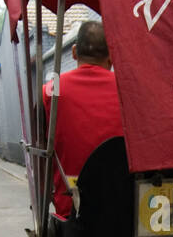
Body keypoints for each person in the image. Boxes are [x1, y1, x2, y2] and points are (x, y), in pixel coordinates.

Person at [41, 20, 124, 218]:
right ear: (111, 57)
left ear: (75, 52)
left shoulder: (52, 89)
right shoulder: (127, 89)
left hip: (71, 208)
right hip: (122, 203)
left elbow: (42, 148)